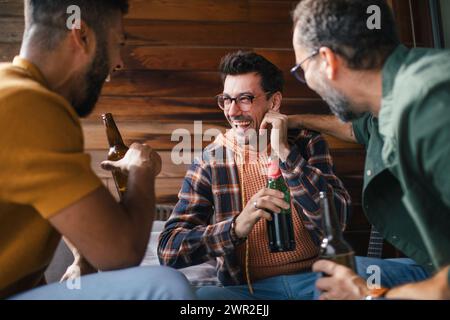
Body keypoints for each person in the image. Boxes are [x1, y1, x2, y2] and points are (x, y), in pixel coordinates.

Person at [0, 0, 194, 300]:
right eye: (118, 43)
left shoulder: (10, 89)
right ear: (82, 35)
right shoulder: (31, 105)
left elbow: (57, 211)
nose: (118, 63)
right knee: (168, 286)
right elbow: (121, 252)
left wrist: (82, 260)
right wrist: (140, 169)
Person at [158, 51, 351, 300]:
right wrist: (235, 228)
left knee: (390, 274)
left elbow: (339, 220)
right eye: (226, 100)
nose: (233, 111)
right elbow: (169, 250)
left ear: (274, 102)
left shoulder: (307, 143)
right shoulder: (209, 161)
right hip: (246, 291)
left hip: (314, 281)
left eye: (245, 99)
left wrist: (285, 153)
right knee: (195, 299)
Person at [290, 0, 450, 299]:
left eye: (302, 69)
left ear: (327, 60)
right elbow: (355, 129)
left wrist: (371, 296)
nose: (308, 82)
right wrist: (296, 120)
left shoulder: (429, 104)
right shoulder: (389, 102)